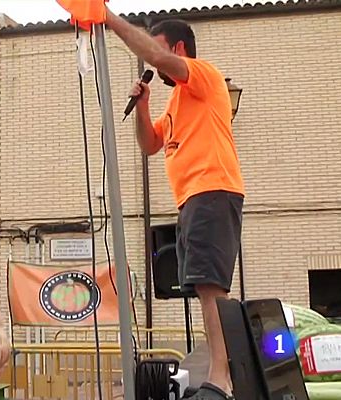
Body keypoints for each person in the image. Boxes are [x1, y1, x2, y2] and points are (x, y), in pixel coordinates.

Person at [55, 2, 245, 399]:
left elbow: (153, 55)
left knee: (211, 286)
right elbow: (150, 144)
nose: (153, 63)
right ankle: (221, 376)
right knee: (203, 285)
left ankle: (222, 379)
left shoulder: (204, 76)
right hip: (193, 198)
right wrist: (142, 107)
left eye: (159, 52)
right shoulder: (176, 102)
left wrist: (107, 18)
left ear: (178, 50)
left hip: (212, 189)